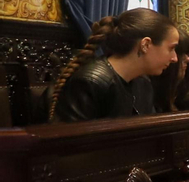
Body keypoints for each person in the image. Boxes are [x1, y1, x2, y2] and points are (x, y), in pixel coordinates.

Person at [50, 8, 179, 121]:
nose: (175, 58)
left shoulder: (143, 83)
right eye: (171, 48)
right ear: (145, 45)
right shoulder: (90, 82)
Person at [152, 28, 189, 113]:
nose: (188, 59)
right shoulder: (149, 98)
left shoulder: (184, 100)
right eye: (182, 53)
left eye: (188, 53)